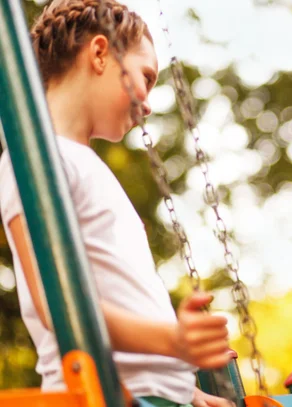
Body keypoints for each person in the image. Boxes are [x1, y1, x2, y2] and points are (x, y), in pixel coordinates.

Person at [0, 1, 232, 406]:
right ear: (100, 53)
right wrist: (175, 341)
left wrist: (187, 390)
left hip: (146, 394)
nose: (147, 104)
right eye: (146, 77)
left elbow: (125, 295)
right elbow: (59, 306)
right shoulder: (33, 159)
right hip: (100, 395)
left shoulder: (81, 163)